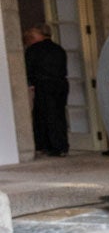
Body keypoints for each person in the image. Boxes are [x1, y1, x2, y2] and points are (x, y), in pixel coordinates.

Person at [24, 25, 69, 157]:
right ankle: (62, 146)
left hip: (44, 85)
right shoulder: (58, 49)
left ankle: (50, 146)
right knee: (59, 114)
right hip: (61, 84)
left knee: (45, 115)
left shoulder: (33, 50)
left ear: (33, 38)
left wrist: (31, 83)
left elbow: (28, 69)